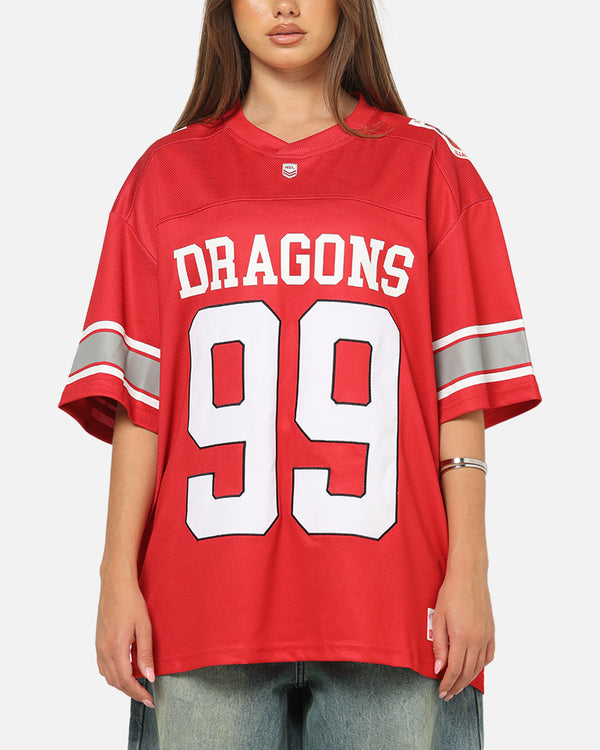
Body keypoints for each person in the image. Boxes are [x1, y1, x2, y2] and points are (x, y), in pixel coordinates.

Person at [59, 1, 541, 747]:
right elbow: (140, 404)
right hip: (202, 606)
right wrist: (115, 576)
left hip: (391, 600)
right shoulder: (165, 174)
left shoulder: (427, 165)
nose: (284, 5)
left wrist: (470, 569)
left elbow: (460, 396)